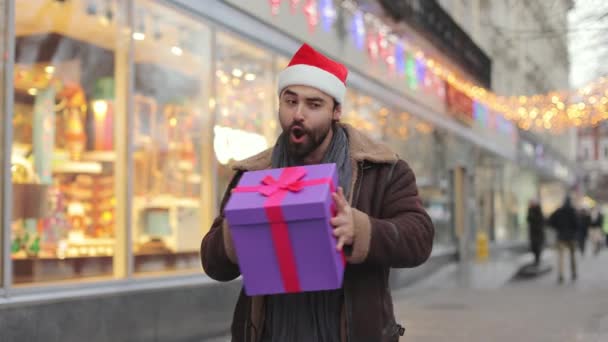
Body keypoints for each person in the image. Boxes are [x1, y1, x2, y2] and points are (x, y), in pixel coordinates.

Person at [200, 43, 435, 342]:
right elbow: (213, 264)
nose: (298, 114)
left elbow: (420, 238)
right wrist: (237, 231)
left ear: (336, 110)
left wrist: (360, 230)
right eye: (290, 101)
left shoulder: (382, 169)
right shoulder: (252, 176)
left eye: (313, 104)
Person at [548, 196, 580, 284]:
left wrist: (558, 228)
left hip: (561, 236)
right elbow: (577, 224)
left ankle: (561, 275)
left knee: (561, 257)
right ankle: (573, 273)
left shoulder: (558, 211)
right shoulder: (573, 211)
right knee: (572, 256)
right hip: (571, 237)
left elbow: (550, 221)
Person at [526, 199, 545, 266]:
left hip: (538, 233)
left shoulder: (538, 210)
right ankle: (536, 259)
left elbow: (541, 221)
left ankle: (537, 260)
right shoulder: (530, 210)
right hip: (533, 232)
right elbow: (528, 219)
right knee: (533, 247)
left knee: (537, 247)